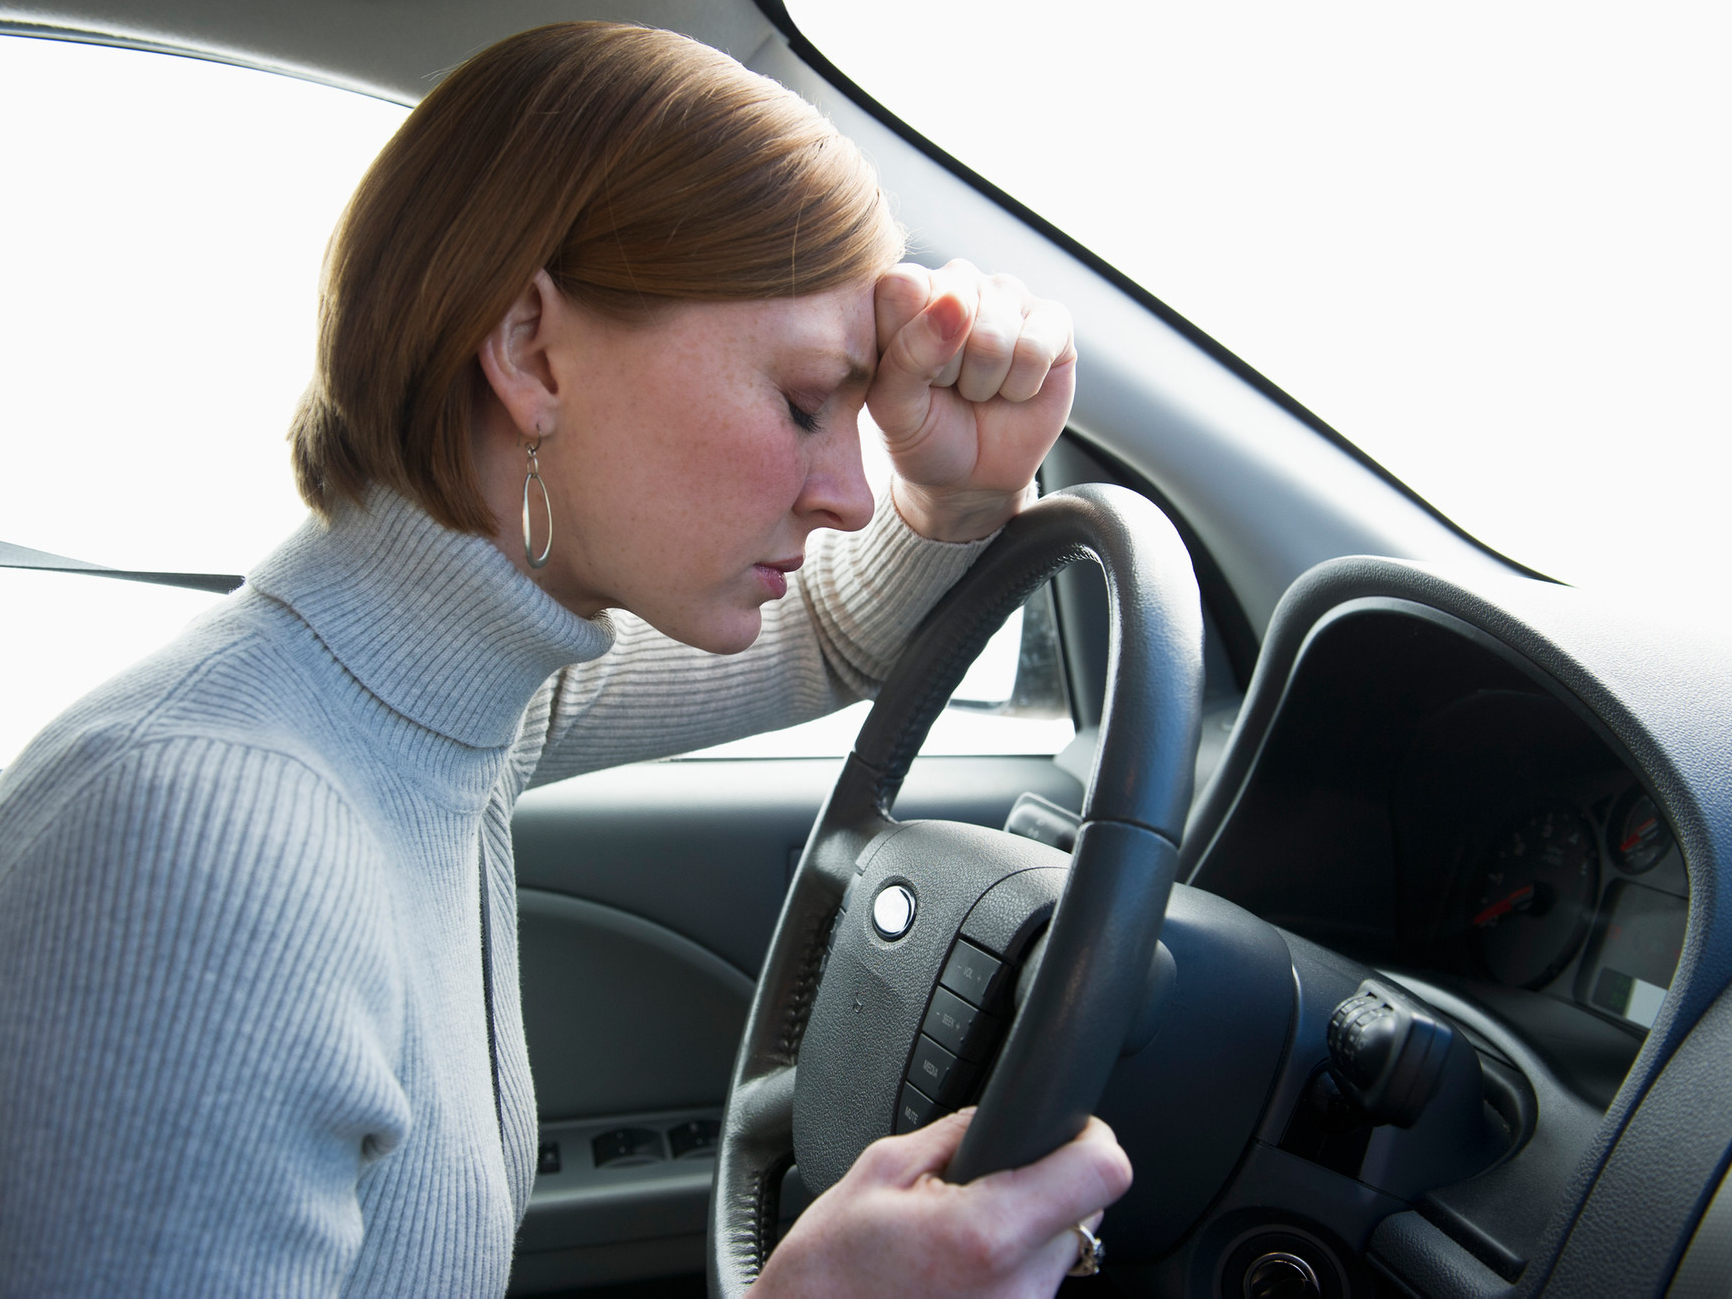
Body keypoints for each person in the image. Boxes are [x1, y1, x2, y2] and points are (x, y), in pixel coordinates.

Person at [0, 21, 1130, 1295]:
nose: (848, 494)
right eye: (806, 403)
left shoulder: (455, 698)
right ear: (531, 351)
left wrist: (956, 492)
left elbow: (828, 635)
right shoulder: (207, 841)